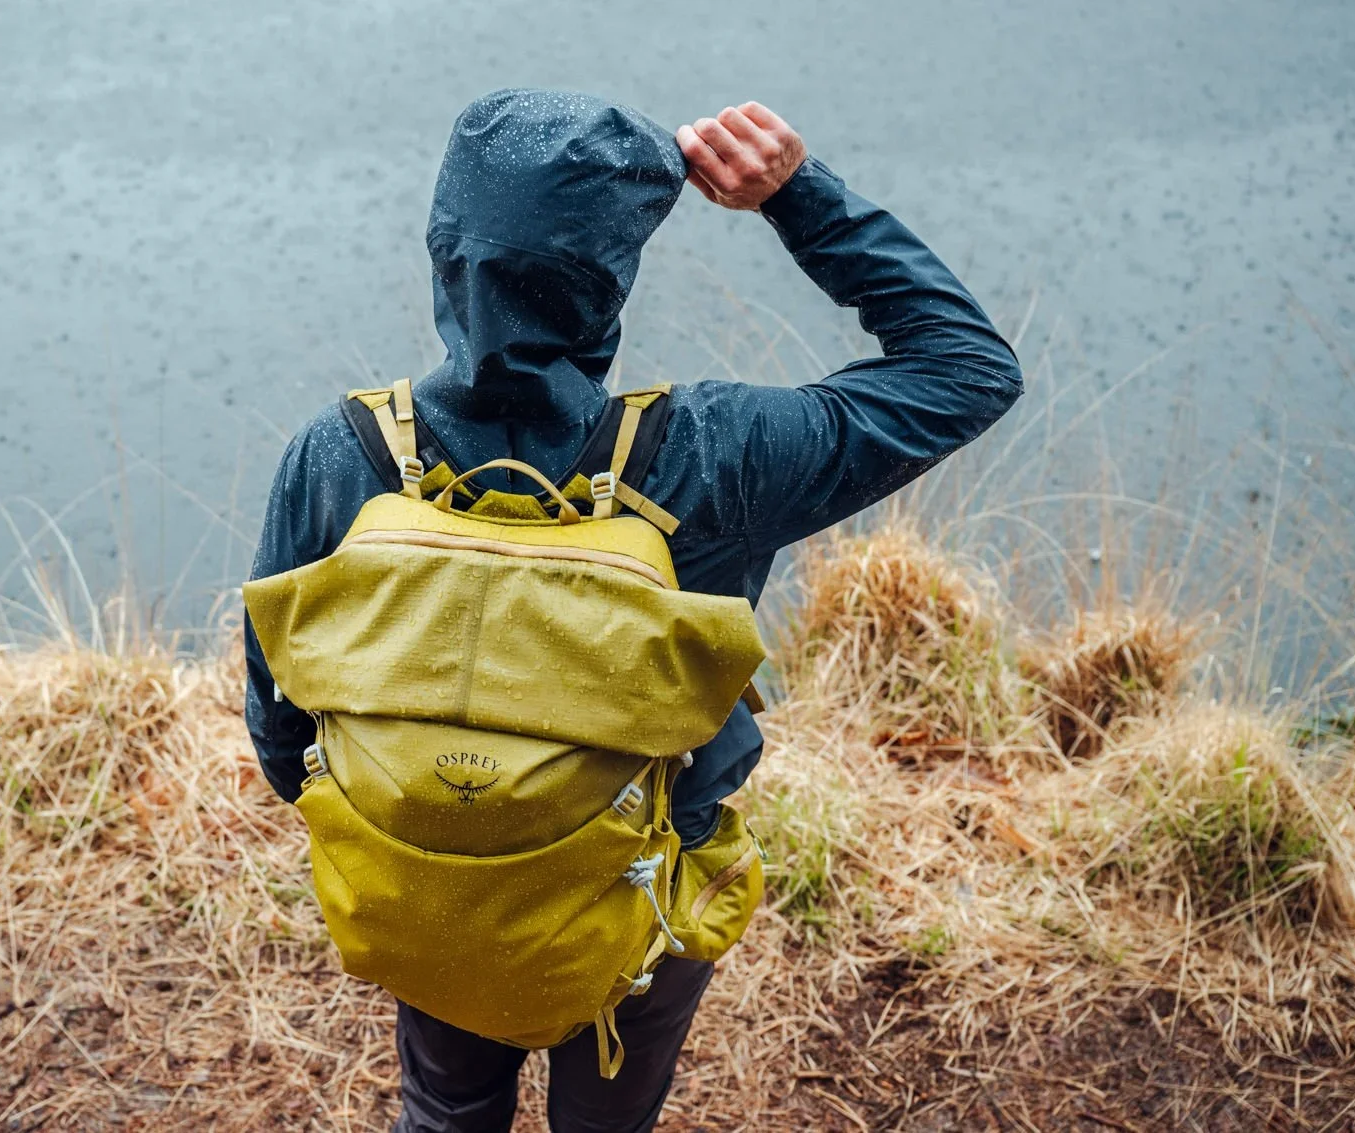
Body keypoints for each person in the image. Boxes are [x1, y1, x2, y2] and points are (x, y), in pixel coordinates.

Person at [243, 89, 1021, 1133]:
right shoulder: (710, 453)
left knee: (443, 1110)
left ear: (442, 252)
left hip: (419, 870)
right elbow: (966, 369)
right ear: (614, 276)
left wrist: (435, 811)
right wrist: (799, 199)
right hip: (641, 881)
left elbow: (277, 720)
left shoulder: (342, 453)